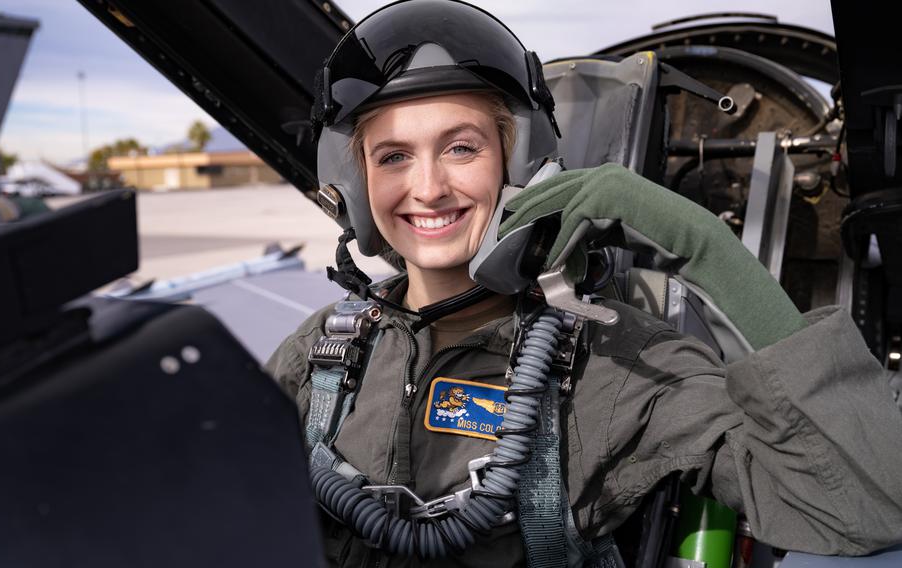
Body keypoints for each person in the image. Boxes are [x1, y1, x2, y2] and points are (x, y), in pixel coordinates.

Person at [267, 1, 902, 566]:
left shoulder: (621, 363)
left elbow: (869, 512)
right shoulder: (321, 355)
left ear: (519, 163)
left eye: (461, 149)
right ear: (356, 187)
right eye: (393, 156)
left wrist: (712, 251)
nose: (428, 187)